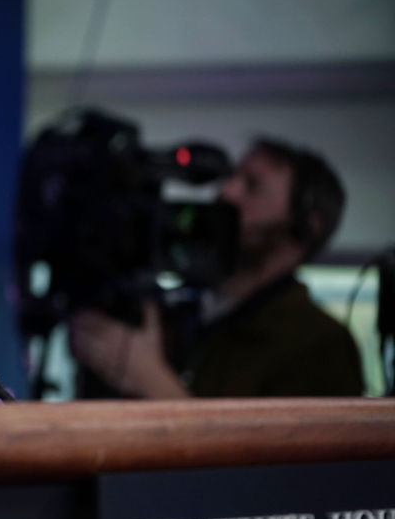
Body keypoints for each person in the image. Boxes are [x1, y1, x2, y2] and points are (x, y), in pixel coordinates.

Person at [68, 138, 363, 399]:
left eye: (253, 186)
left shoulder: (320, 345)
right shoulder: (189, 314)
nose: (227, 192)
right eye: (233, 177)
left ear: (306, 226)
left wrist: (149, 379)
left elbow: (283, 460)